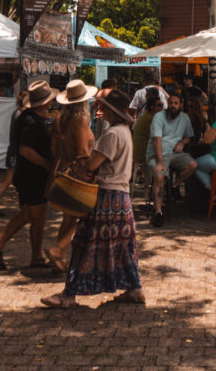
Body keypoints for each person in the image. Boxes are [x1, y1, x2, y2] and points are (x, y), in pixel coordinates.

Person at [41, 88, 145, 308]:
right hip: (122, 196)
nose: (100, 110)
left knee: (85, 243)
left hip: (107, 195)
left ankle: (69, 294)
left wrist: (81, 164)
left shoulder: (112, 134)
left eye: (103, 107)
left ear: (110, 110)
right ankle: (134, 288)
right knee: (123, 246)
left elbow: (91, 164)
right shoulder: (124, 131)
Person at [0, 80, 58, 270]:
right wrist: (47, 165)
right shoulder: (31, 121)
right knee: (36, 216)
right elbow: (26, 150)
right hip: (32, 176)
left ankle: (29, 255)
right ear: (44, 102)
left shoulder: (27, 116)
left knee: (28, 215)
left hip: (27, 175)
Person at [44, 79, 98, 273]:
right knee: (85, 217)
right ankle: (58, 251)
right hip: (79, 174)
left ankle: (59, 257)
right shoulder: (81, 120)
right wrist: (91, 173)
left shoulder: (60, 119)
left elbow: (54, 148)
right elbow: (83, 152)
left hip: (62, 171)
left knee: (69, 218)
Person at [148, 93, 197, 227]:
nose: (173, 106)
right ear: (167, 104)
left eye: (176, 103)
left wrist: (182, 142)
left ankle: (175, 186)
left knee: (192, 164)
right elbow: (156, 141)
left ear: (180, 105)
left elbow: (189, 136)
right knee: (159, 175)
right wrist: (160, 162)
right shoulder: (159, 117)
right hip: (157, 153)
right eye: (171, 103)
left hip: (175, 153)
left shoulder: (184, 118)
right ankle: (158, 212)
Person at [0, 90, 29, 215]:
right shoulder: (21, 114)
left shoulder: (18, 113)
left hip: (14, 150)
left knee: (16, 180)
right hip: (16, 152)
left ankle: (24, 204)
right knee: (9, 179)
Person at [131, 89, 162, 170]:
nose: (162, 108)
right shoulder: (150, 119)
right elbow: (157, 138)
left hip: (140, 150)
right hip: (143, 152)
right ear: (152, 107)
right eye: (159, 105)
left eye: (161, 105)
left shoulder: (149, 116)